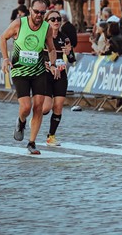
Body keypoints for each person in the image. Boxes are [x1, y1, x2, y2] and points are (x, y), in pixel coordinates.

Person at [0, 0, 58, 155]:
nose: (39, 15)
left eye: (42, 12)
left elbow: (52, 49)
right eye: (36, 11)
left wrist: (53, 65)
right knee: (26, 107)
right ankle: (21, 120)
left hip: (38, 71)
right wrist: (6, 58)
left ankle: (32, 142)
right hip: (20, 71)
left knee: (38, 106)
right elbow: (3, 38)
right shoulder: (19, 23)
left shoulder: (46, 28)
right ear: (30, 11)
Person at [41, 10, 75, 147]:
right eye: (53, 19)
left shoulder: (65, 37)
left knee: (59, 106)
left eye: (58, 19)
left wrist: (69, 53)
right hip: (45, 74)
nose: (56, 22)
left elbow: (72, 59)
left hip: (60, 74)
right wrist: (47, 65)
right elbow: (37, 55)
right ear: (46, 21)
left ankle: (51, 136)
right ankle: (35, 115)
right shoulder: (42, 37)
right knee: (46, 108)